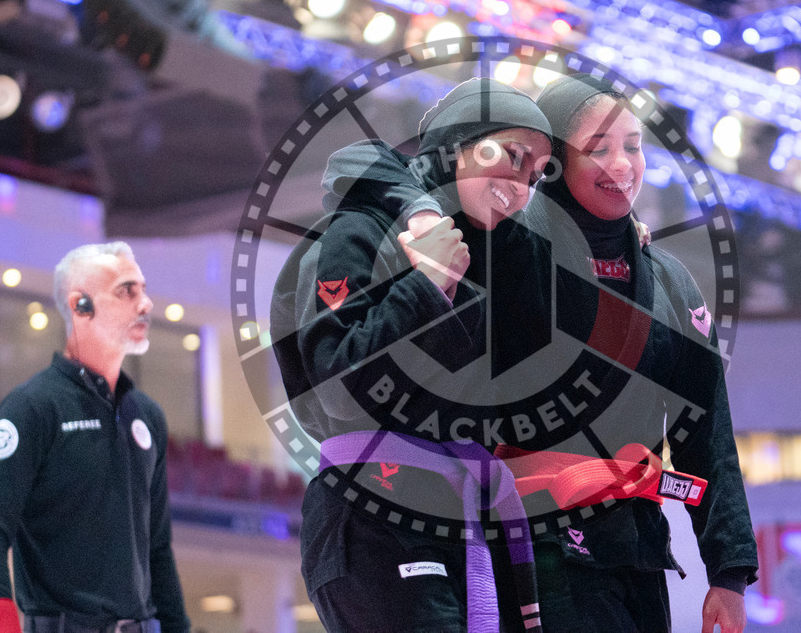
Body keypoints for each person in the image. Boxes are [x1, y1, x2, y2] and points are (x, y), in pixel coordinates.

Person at [322, 73, 759, 632]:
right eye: (597, 149)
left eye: (633, 145)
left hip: (636, 546)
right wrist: (421, 213)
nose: (623, 165)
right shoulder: (503, 243)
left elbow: (707, 428)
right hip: (525, 542)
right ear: (551, 165)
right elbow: (362, 160)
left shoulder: (670, 282)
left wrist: (728, 569)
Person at [270, 78, 554, 631]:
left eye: (536, 173)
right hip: (373, 507)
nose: (521, 184)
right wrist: (426, 285)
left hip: (464, 506)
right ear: (457, 143)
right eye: (511, 155)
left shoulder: (494, 259)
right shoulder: (360, 229)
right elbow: (340, 387)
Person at [0, 242, 190, 633]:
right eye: (127, 290)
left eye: (143, 289)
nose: (145, 304)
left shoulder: (147, 416)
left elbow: (158, 550)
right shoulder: (32, 408)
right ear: (80, 306)